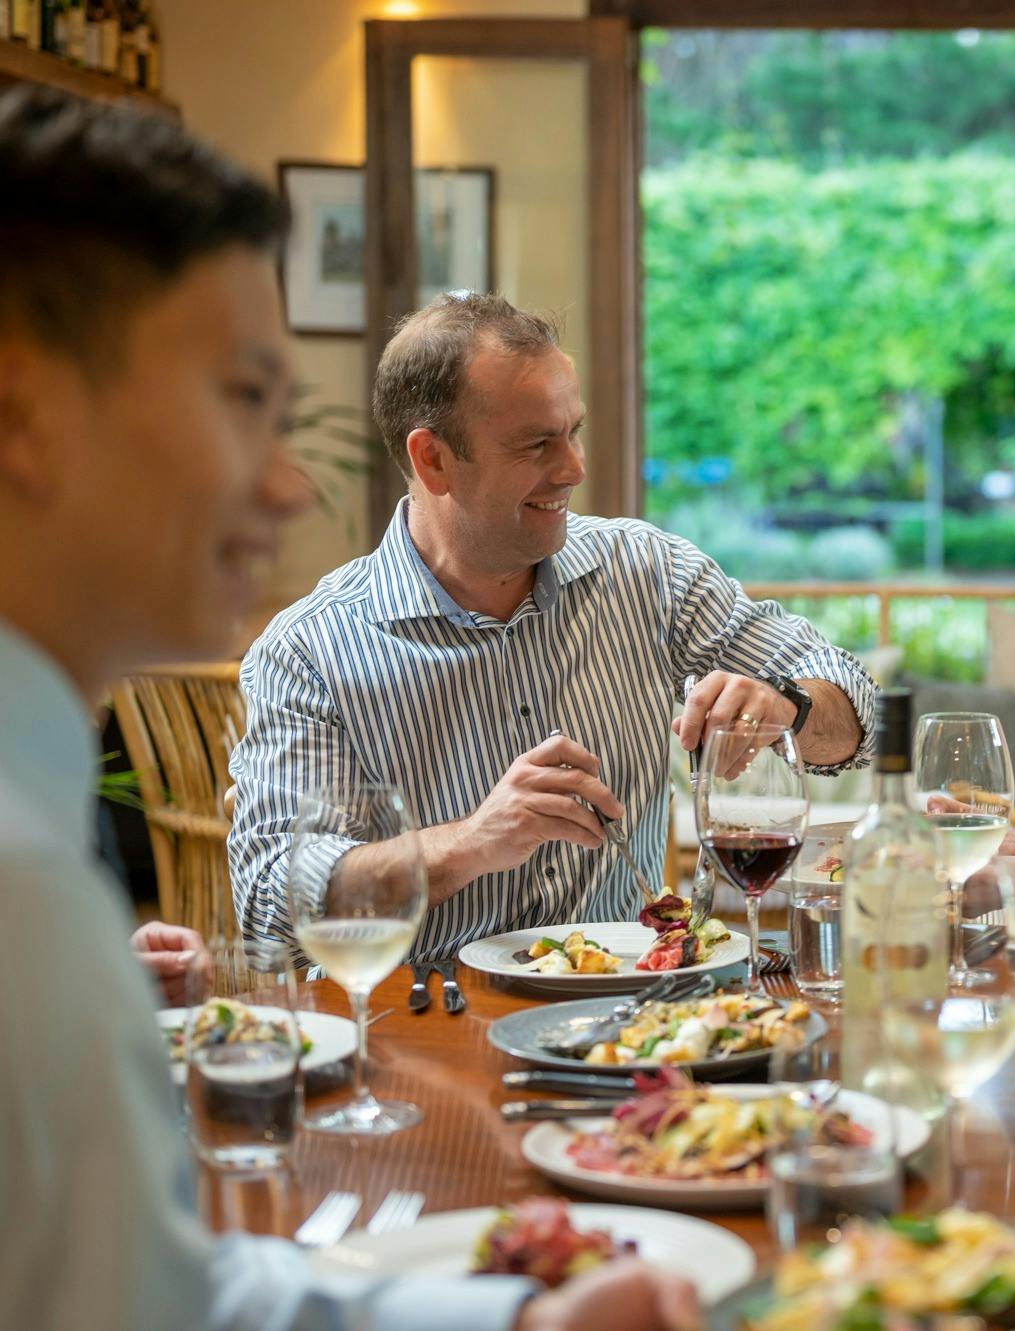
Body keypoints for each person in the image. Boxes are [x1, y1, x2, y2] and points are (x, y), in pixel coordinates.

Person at [0, 86, 695, 1329]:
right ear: (22, 411)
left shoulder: (46, 859)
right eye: (242, 401)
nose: (285, 483)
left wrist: (519, 1319)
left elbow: (139, 1293)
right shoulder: (22, 888)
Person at [228, 292, 875, 961]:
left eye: (574, 430)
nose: (575, 467)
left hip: (633, 1021)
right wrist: (472, 842)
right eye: (537, 443)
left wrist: (789, 707)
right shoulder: (307, 651)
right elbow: (271, 902)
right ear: (434, 460)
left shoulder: (652, 573)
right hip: (428, 1032)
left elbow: (863, 713)